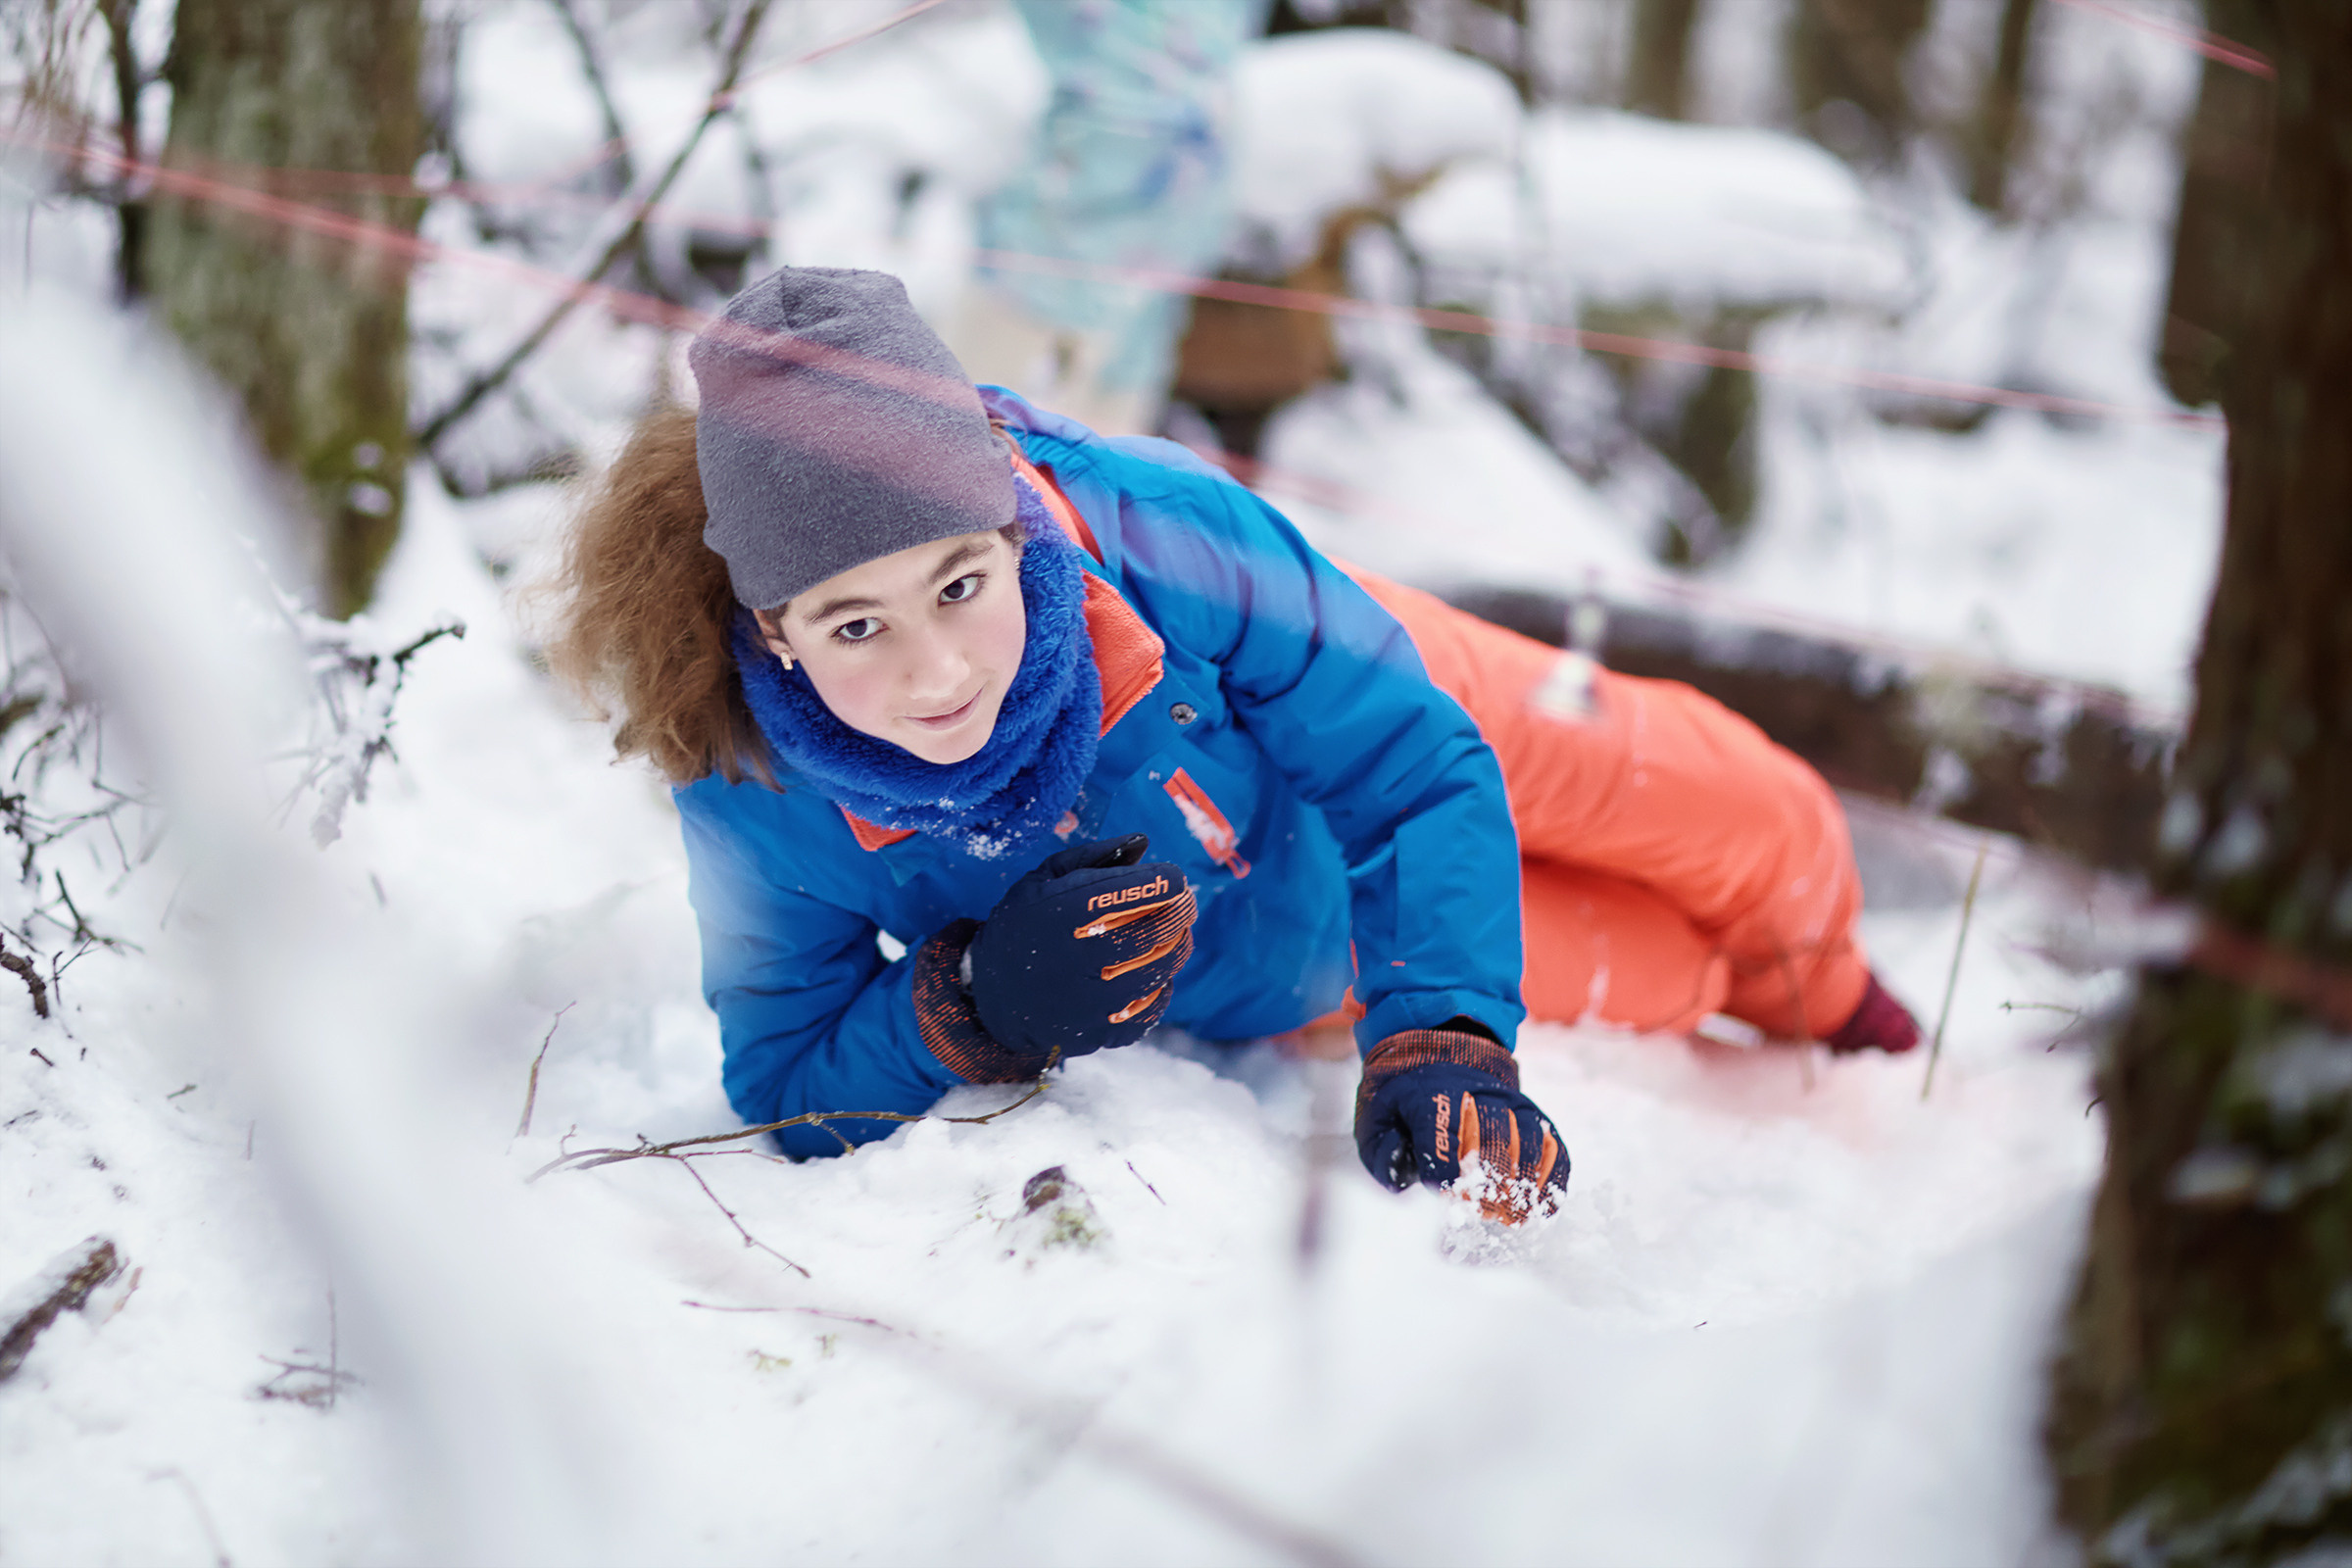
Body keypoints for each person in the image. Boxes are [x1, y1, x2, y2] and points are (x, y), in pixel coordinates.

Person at [547, 266, 1920, 1225]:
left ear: (1010, 530)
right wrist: (966, 1008)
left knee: (1752, 821)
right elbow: (784, 1088)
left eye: (959, 586)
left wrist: (1443, 1028)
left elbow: (1411, 763)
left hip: (1408, 717)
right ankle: (1802, 1023)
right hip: (1295, 967)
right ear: (772, 629)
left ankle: (1850, 1002)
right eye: (856, 629)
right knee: (1676, 979)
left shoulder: (1144, 524)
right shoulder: (746, 781)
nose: (936, 673)